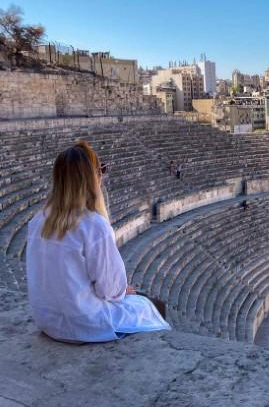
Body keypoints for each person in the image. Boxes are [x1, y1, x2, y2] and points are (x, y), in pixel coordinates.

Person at [26, 141, 170, 343]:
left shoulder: (37, 222)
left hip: (48, 322)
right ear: (92, 179)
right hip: (84, 324)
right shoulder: (93, 225)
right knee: (154, 307)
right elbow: (111, 290)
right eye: (100, 171)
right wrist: (124, 291)